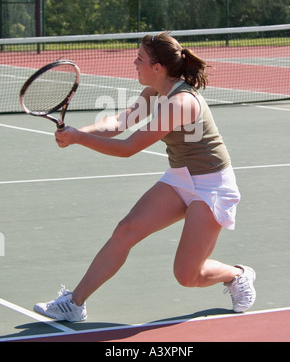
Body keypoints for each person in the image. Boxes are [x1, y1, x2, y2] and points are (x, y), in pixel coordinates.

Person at [34, 32, 256, 322]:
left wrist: (78, 139)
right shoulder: (156, 91)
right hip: (181, 177)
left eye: (139, 59)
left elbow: (129, 147)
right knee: (126, 230)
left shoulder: (181, 103)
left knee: (188, 275)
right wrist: (79, 132)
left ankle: (238, 275)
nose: (134, 62)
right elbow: (119, 122)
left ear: (157, 67)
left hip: (212, 185)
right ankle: (74, 303)